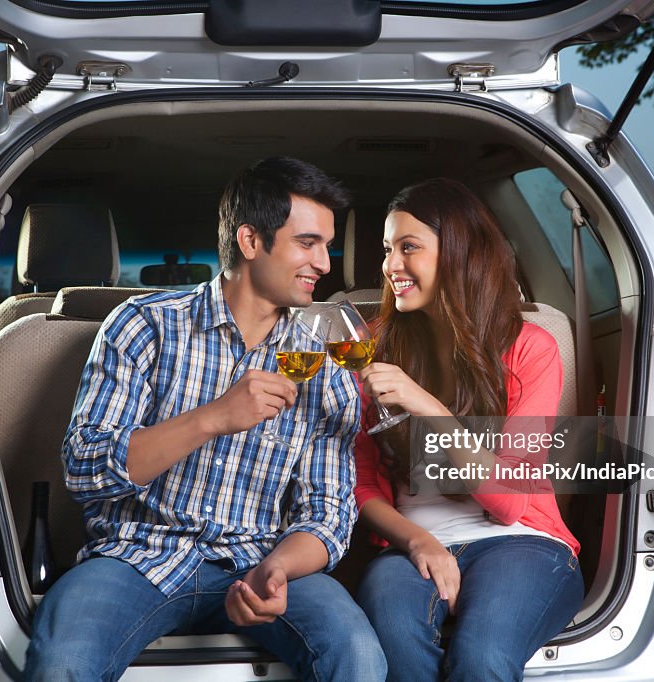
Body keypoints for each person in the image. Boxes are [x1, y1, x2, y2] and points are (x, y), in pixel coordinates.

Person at [25, 157, 386, 682]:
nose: (325, 264)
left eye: (326, 246)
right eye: (307, 243)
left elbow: (328, 512)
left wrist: (278, 569)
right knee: (62, 665)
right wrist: (214, 417)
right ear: (249, 241)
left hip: (260, 557)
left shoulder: (324, 364)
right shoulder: (144, 325)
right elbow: (84, 468)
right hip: (137, 558)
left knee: (357, 655)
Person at [353, 178, 582, 682]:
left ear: (458, 252)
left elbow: (508, 503)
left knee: (481, 658)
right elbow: (361, 485)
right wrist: (417, 541)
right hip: (409, 544)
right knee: (397, 651)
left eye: (408, 247)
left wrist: (426, 405)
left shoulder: (530, 349)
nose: (391, 265)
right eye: (388, 249)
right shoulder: (370, 347)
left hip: (521, 542)